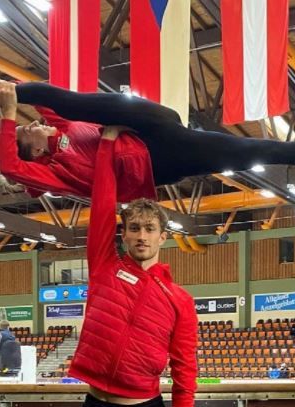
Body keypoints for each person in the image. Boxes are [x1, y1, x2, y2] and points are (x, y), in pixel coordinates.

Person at [0, 72, 295, 201]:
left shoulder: (57, 129)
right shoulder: (50, 170)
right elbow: (13, 167)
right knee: (262, 150)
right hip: (155, 162)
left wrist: (4, 98)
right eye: (29, 130)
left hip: (149, 128)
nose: (36, 125)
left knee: (81, 100)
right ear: (31, 149)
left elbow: (57, 103)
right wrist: (11, 116)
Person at [65, 127, 197, 407]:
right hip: (95, 400)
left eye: (150, 229)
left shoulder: (180, 300)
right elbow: (101, 204)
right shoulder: (104, 266)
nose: (141, 236)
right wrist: (108, 143)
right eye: (134, 228)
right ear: (123, 234)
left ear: (163, 237)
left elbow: (185, 366)